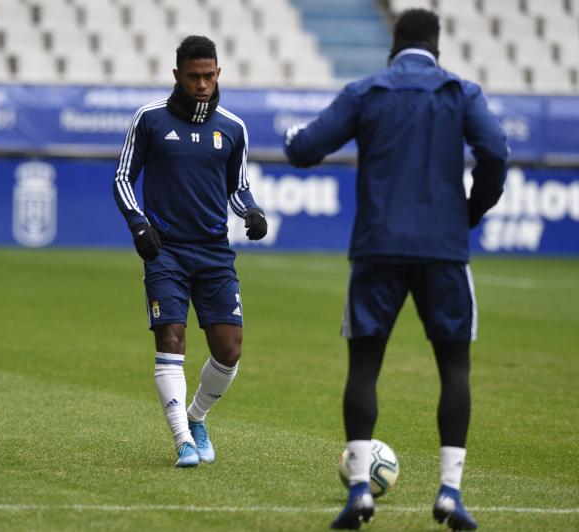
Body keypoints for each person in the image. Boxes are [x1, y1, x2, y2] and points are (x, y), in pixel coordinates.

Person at [284, 9, 508, 531]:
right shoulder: (460, 92)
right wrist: (470, 212)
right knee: (454, 369)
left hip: (378, 247)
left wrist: (294, 138)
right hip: (443, 250)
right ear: (436, 46)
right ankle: (450, 493)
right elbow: (495, 153)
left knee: (364, 368)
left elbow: (305, 149)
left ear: (394, 44)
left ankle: (360, 489)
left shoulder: (367, 91)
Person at [113, 35, 268, 468]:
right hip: (165, 251)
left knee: (229, 349)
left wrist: (252, 211)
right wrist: (139, 224)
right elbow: (123, 178)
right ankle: (183, 441)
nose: (202, 84)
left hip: (214, 252)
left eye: (209, 76)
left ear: (218, 74)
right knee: (171, 338)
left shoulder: (233, 128)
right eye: (194, 76)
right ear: (177, 75)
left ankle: (196, 417)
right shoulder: (149, 119)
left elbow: (237, 188)